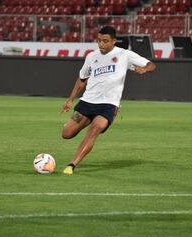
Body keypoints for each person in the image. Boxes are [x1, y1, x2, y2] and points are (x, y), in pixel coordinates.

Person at [60, 26, 156, 175]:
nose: (101, 44)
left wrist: (145, 69)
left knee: (94, 130)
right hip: (87, 102)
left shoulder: (124, 55)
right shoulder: (91, 56)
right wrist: (70, 100)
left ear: (114, 41)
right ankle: (88, 119)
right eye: (99, 41)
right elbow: (82, 79)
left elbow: (151, 65)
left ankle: (72, 165)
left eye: (105, 41)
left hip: (108, 105)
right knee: (66, 133)